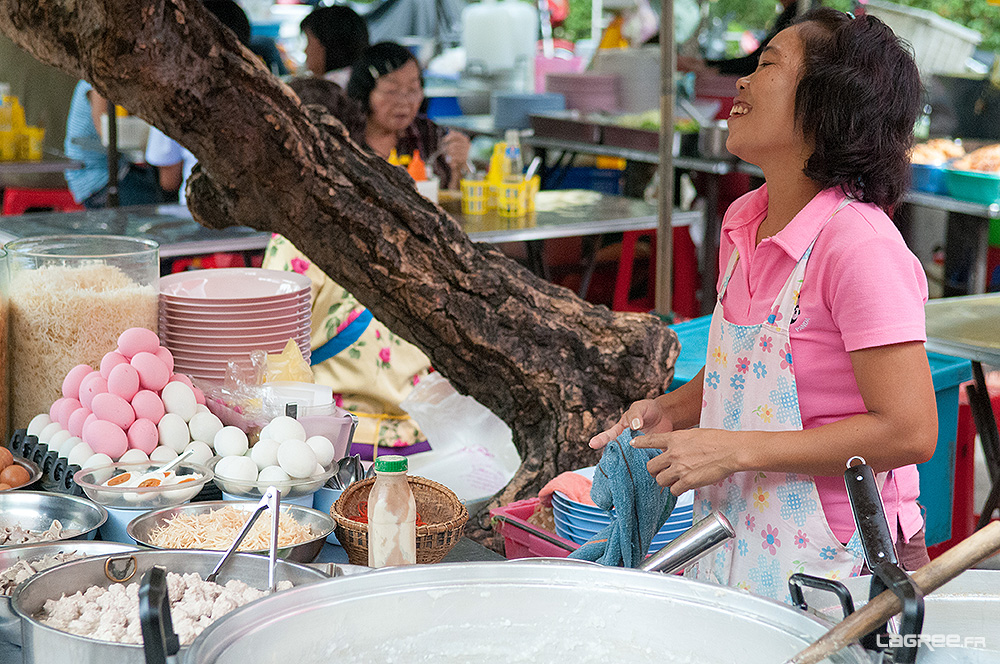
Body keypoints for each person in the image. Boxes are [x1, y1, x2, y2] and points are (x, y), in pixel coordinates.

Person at [590, 8, 936, 600]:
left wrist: (734, 448)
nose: (743, 82)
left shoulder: (860, 245)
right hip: (740, 535)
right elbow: (740, 366)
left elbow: (909, 431)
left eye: (768, 65)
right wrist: (672, 409)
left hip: (847, 558)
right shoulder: (743, 219)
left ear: (830, 103)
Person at [144, 0, 252, 204]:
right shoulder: (265, 95)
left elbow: (169, 180)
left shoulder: (175, 94)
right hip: (258, 220)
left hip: (198, 216)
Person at [346, 42, 470, 190]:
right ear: (364, 93)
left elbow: (452, 198)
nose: (404, 102)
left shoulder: (431, 135)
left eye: (412, 90)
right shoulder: (344, 138)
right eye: (391, 91)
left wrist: (459, 166)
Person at [64, 83, 162, 207]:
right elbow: (107, 133)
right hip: (96, 178)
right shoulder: (96, 82)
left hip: (117, 171)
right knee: (163, 200)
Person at [301, 6, 370, 88]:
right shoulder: (366, 81)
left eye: (309, 41)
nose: (305, 50)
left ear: (326, 44)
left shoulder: (324, 91)